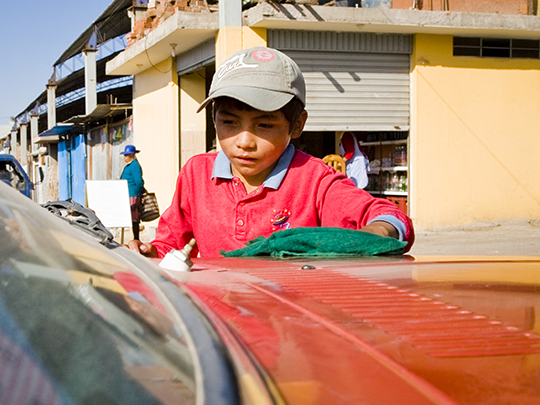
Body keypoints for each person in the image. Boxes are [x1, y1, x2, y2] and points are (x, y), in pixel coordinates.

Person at [126, 46, 414, 258]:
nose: (244, 141)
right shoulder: (196, 174)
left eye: (264, 125)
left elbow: (390, 217)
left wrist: (375, 233)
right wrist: (150, 252)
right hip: (218, 320)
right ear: (213, 119)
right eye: (229, 123)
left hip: (288, 323)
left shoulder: (314, 180)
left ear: (297, 124)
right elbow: (171, 244)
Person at [119, 145, 145, 241]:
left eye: (127, 155)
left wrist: (139, 192)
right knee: (130, 218)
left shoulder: (134, 166)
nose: (125, 157)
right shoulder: (128, 166)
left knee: (134, 219)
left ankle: (136, 238)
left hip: (132, 195)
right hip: (127, 194)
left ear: (132, 155)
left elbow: (139, 182)